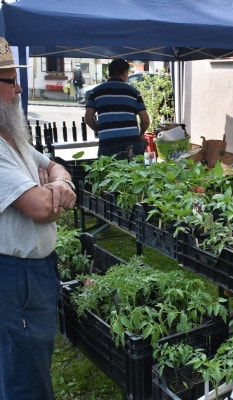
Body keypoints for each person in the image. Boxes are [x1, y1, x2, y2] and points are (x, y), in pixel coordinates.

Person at [0, 37, 76, 399]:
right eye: (9, 80)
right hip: (14, 275)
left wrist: (58, 181)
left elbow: (55, 167)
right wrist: (55, 194)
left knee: (32, 357)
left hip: (33, 271)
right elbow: (42, 209)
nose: (18, 88)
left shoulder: (11, 137)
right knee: (24, 376)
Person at [84, 58, 150, 158]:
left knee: (108, 171)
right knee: (134, 171)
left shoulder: (95, 92)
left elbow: (88, 118)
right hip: (131, 144)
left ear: (110, 72)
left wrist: (100, 130)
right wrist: (141, 134)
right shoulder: (133, 92)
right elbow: (145, 120)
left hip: (107, 145)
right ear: (125, 73)